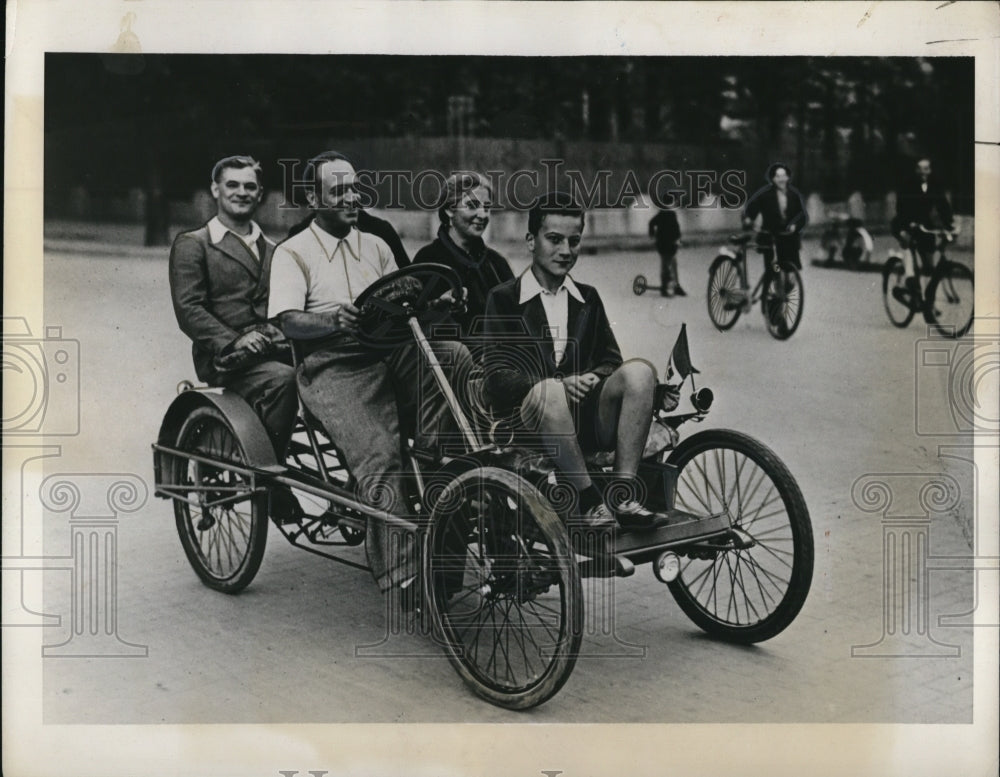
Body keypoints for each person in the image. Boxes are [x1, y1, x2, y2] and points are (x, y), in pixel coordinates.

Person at [267, 150, 469, 594]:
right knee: (379, 455)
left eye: (354, 188)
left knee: (452, 355)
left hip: (386, 350)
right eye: (338, 190)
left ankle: (437, 458)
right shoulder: (292, 253)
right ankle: (406, 577)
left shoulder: (375, 245)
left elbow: (404, 298)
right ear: (313, 198)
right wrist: (331, 321)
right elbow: (287, 322)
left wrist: (433, 307)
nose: (351, 197)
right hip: (331, 366)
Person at [482, 192, 670, 531]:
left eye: (574, 241)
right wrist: (555, 385)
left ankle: (622, 495)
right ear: (530, 241)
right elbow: (496, 376)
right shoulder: (504, 299)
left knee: (641, 372)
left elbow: (611, 360)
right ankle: (589, 501)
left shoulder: (587, 297)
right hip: (530, 424)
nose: (566, 251)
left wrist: (594, 377)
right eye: (554, 240)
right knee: (551, 392)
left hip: (584, 420)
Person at [169, 155, 300, 520]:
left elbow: (286, 306)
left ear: (260, 194)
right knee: (283, 381)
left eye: (249, 187)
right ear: (216, 189)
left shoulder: (275, 251)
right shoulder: (194, 244)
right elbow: (190, 310)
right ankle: (268, 480)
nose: (241, 193)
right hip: (226, 357)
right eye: (232, 185)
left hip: (273, 349)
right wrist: (235, 341)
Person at [413, 172, 514, 337]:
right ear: (449, 210)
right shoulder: (428, 260)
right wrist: (437, 306)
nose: (482, 215)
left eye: (487, 207)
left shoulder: (497, 263)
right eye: (472, 205)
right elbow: (415, 323)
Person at [889, 157, 954, 307]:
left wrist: (950, 224)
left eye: (926, 169)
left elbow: (942, 205)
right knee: (907, 244)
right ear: (915, 170)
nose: (923, 172)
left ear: (930, 170)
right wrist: (908, 223)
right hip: (904, 222)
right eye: (920, 168)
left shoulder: (934, 185)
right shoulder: (908, 184)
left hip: (924, 225)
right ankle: (908, 282)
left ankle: (928, 302)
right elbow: (901, 206)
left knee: (928, 263)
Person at [742, 162, 809, 280]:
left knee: (791, 275)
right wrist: (748, 219)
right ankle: (766, 294)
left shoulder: (794, 195)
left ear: (788, 178)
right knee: (774, 270)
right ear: (772, 179)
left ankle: (783, 285)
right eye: (777, 176)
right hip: (770, 237)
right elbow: (751, 208)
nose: (781, 179)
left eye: (783, 176)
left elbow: (802, 215)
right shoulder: (765, 195)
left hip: (788, 238)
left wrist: (795, 225)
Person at [648, 207, 683, 297]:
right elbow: (676, 228)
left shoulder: (663, 214)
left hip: (665, 244)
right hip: (666, 244)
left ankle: (672, 286)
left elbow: (651, 223)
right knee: (668, 264)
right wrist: (678, 239)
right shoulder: (669, 214)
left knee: (669, 264)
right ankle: (668, 287)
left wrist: (652, 235)